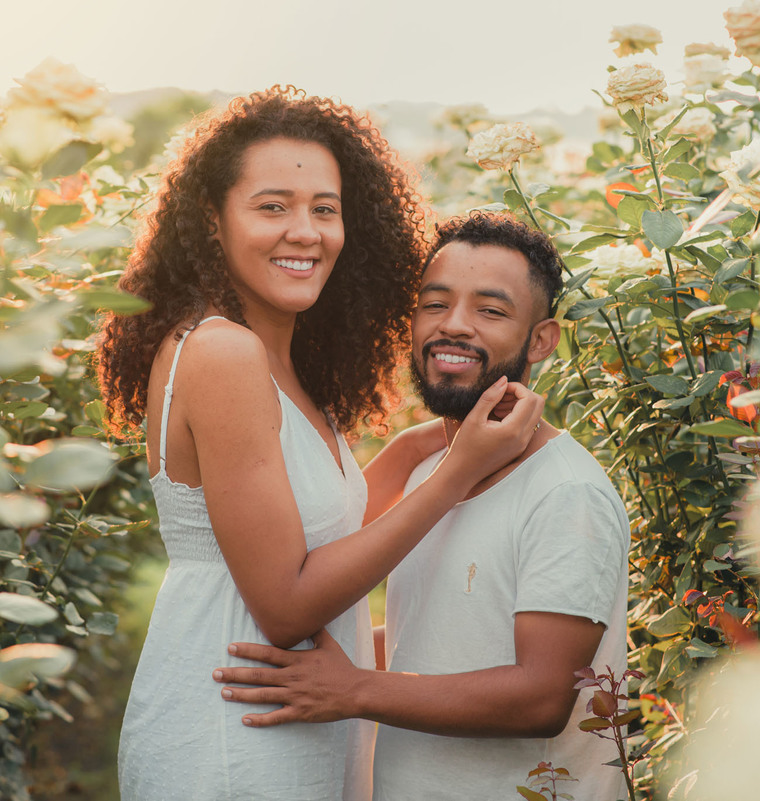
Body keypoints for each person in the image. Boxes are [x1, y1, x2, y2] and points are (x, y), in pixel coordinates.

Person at [95, 90, 545, 801]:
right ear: (212, 222)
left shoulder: (284, 364)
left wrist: (441, 435)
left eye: (325, 209)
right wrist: (456, 473)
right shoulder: (222, 353)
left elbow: (320, 533)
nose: (305, 231)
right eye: (272, 206)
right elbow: (286, 601)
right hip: (232, 731)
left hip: (286, 717)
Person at [214, 212, 631, 801]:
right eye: (434, 304)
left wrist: (354, 689)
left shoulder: (566, 494)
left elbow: (540, 698)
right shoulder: (435, 471)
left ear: (541, 339)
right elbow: (425, 625)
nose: (453, 326)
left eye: (490, 310)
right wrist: (415, 445)